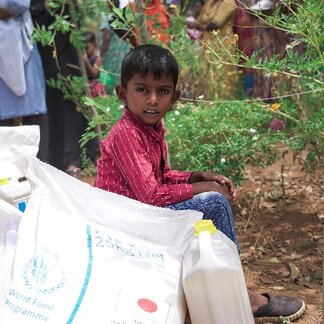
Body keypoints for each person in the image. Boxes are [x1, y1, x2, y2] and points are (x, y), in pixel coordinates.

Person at [95, 44, 305, 322]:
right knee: (213, 203)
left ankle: (219, 288)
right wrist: (201, 190)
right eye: (142, 90)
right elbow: (151, 195)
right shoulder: (126, 134)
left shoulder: (149, 129)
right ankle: (242, 297)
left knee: (208, 197)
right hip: (123, 223)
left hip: (138, 215)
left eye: (163, 91)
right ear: (123, 93)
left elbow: (160, 177)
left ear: (176, 97)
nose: (153, 100)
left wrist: (195, 177)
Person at [30, 0, 85, 177]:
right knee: (48, 101)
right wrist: (46, 6)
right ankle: (52, 161)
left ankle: (72, 160)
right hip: (41, 47)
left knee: (70, 99)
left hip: (68, 46)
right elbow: (29, 9)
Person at [0, 0, 48, 162]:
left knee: (34, 107)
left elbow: (19, 4)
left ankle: (40, 168)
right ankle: (6, 169)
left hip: (22, 41)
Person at [83, 31, 107, 98]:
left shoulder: (98, 59)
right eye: (82, 48)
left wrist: (86, 61)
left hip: (95, 87)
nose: (84, 51)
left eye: (87, 47)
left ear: (95, 45)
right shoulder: (82, 59)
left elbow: (94, 74)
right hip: (86, 86)